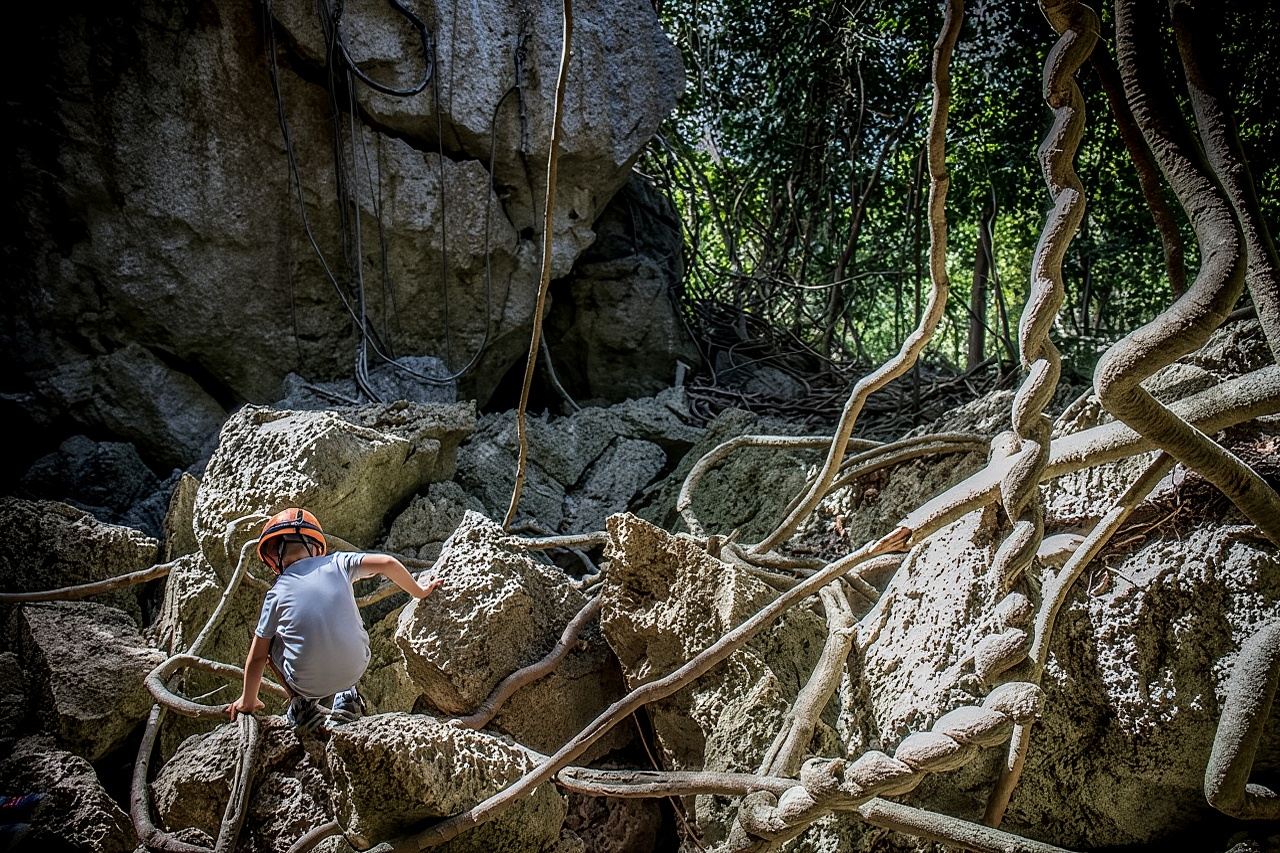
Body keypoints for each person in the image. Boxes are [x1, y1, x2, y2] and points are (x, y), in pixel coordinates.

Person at [226, 507, 442, 731]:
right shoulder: (338, 562)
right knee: (343, 618)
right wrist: (421, 592)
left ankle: (302, 705)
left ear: (274, 557)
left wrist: (247, 701)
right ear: (315, 546)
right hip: (356, 666)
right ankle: (347, 695)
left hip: (306, 684)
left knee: (269, 643)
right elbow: (387, 563)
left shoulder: (276, 594)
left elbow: (257, 657)